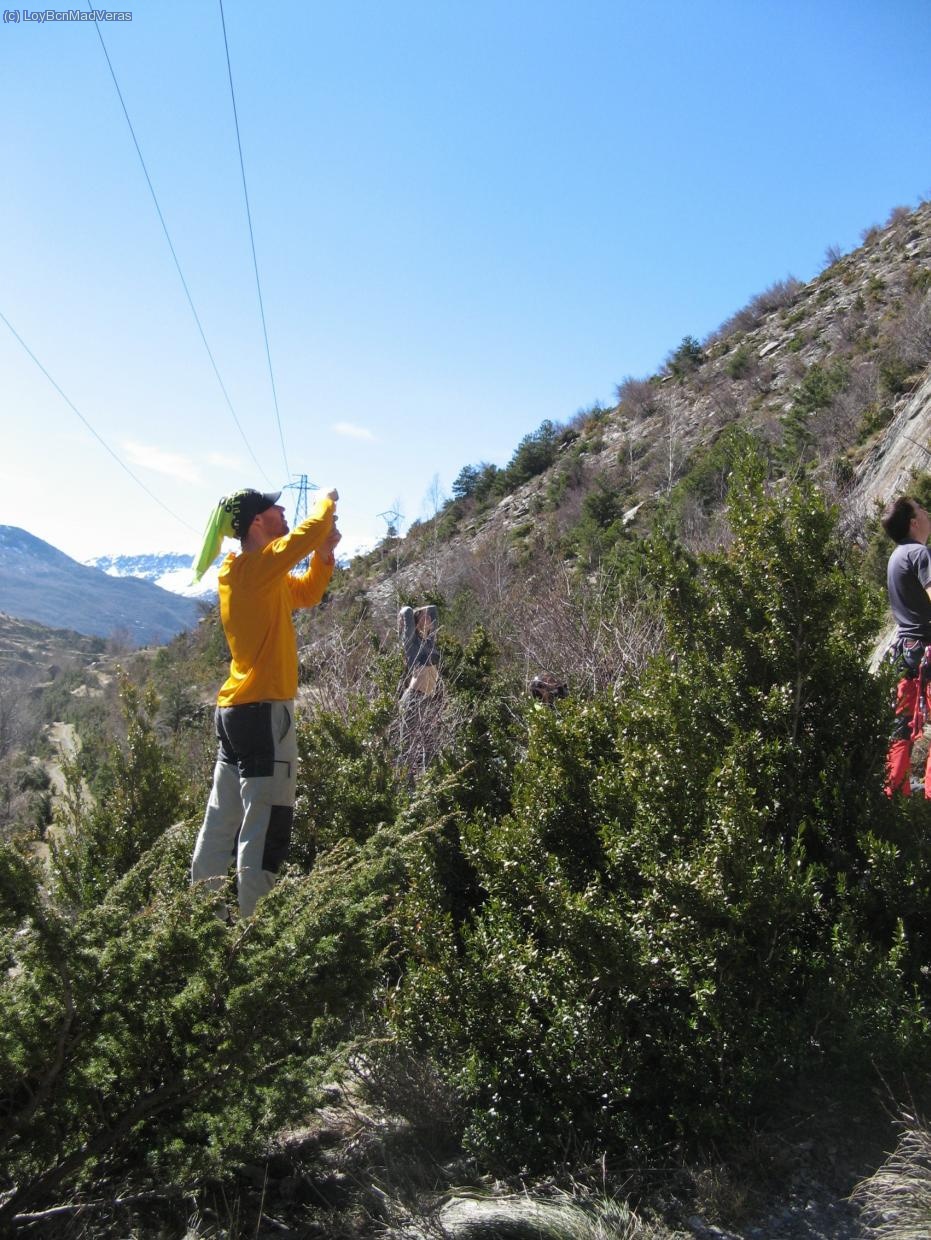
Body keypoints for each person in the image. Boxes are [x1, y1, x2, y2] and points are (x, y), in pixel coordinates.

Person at [190, 486, 341, 916]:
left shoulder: (249, 572)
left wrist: (324, 555)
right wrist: (325, 505)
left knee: (222, 821)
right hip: (262, 714)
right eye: (275, 507)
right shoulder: (256, 569)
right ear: (257, 521)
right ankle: (255, 938)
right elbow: (307, 532)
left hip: (236, 714)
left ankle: (203, 921)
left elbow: (308, 593)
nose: (282, 511)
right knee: (266, 824)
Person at [882, 495, 931, 797]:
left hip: (905, 652)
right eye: (922, 509)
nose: (927, 513)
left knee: (902, 729)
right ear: (914, 523)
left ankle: (895, 797)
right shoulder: (920, 554)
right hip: (927, 648)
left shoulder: (895, 558)